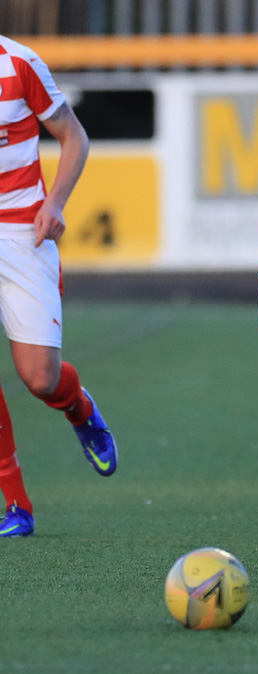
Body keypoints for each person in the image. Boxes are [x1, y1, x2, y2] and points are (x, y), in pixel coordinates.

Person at [0, 36, 119, 538]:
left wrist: (55, 203)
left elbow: (73, 136)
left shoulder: (19, 62)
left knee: (40, 378)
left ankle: (80, 410)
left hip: (21, 232)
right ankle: (17, 507)